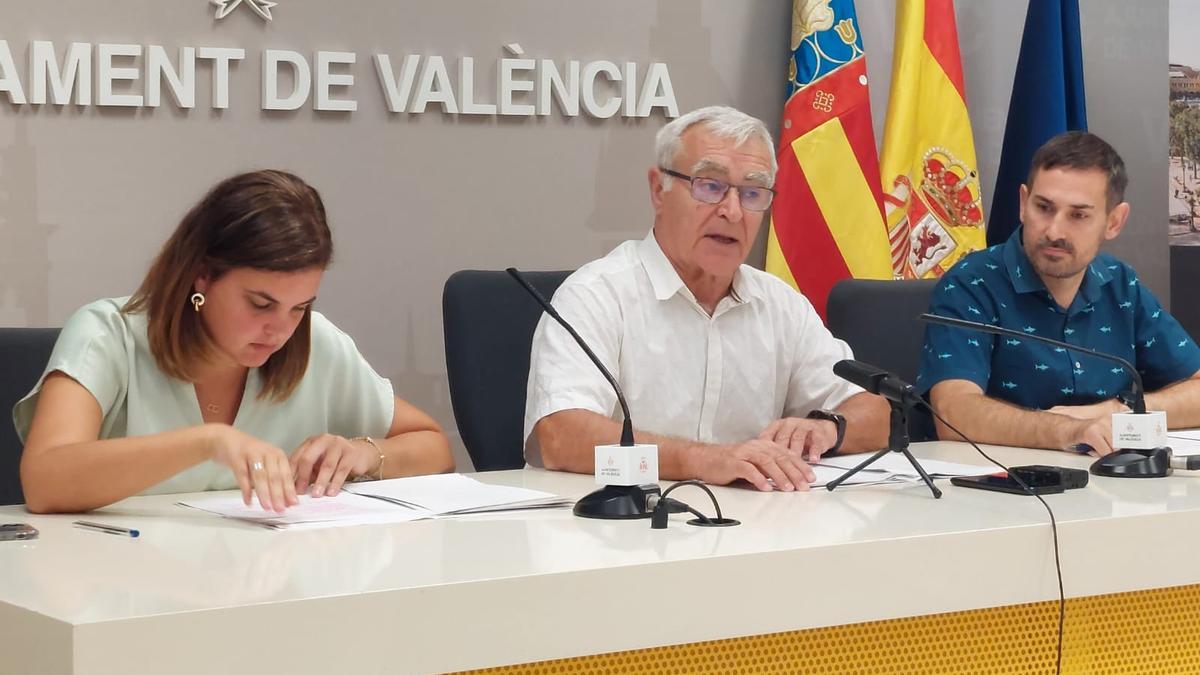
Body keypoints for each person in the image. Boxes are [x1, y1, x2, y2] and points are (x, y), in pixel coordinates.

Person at [15, 170, 453, 514]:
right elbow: (45, 481)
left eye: (299, 307)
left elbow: (434, 448)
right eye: (260, 304)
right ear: (201, 275)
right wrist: (207, 442)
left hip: (265, 595)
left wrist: (364, 454)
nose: (281, 330)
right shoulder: (107, 333)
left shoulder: (315, 340)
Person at [523, 105, 889, 492]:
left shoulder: (781, 305)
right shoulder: (597, 295)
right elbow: (561, 436)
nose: (732, 212)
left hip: (751, 528)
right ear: (657, 189)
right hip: (614, 531)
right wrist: (700, 459)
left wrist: (827, 428)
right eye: (710, 186)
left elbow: (877, 414)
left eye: (752, 193)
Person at [918, 131, 1200, 454]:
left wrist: (1117, 411)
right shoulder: (971, 284)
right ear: (1023, 203)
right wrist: (1069, 430)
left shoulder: (1120, 284)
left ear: (1114, 222)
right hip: (1004, 488)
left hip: (1113, 489)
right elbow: (954, 413)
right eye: (1044, 207)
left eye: (1078, 215)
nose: (1054, 231)